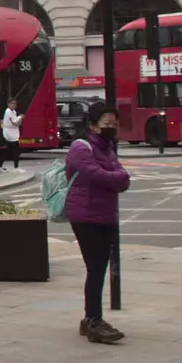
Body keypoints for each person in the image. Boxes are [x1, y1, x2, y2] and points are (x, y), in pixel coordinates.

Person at [64, 102, 130, 344]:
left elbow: (122, 179)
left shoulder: (108, 148)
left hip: (106, 215)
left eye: (114, 124)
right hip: (85, 215)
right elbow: (98, 175)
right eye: (106, 124)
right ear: (92, 125)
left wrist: (116, 177)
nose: (111, 127)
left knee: (99, 267)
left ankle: (90, 319)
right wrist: (116, 177)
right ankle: (94, 320)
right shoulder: (81, 149)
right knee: (96, 267)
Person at [0, 98, 24, 170]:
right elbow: (16, 123)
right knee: (15, 150)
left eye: (15, 104)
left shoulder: (13, 111)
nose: (14, 105)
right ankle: (16, 167)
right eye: (12, 103)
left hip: (13, 133)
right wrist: (20, 118)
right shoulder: (8, 112)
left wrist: (19, 118)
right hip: (10, 134)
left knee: (9, 150)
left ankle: (0, 164)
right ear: (8, 104)